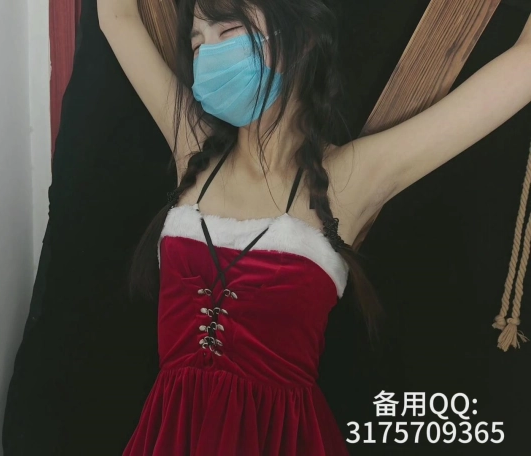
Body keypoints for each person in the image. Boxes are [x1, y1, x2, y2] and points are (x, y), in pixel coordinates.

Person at [97, 0, 531, 454]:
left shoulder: (350, 179)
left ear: (299, 39)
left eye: (227, 32)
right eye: (197, 43)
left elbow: (523, 64)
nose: (208, 55)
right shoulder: (194, 149)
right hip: (169, 437)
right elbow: (117, 18)